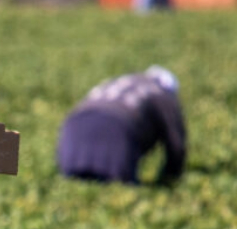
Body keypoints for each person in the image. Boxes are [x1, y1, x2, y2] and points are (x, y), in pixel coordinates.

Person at [56, 66, 186, 186]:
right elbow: (176, 143)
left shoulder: (116, 82)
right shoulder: (162, 93)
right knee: (118, 188)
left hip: (73, 130)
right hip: (117, 131)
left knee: (73, 183)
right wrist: (170, 178)